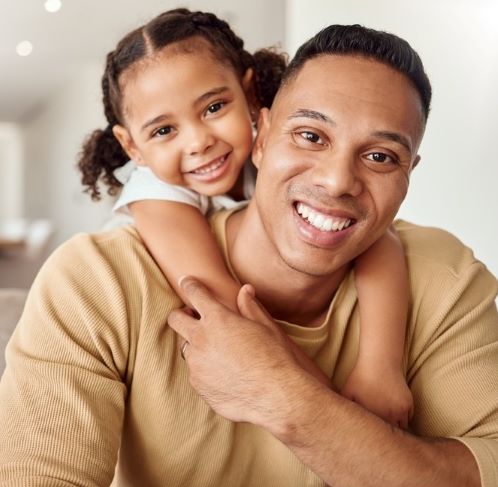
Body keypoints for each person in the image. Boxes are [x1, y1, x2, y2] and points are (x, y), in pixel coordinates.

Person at [0, 22, 497, 487]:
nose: (337, 180)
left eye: (382, 157)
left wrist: (291, 393)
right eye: (310, 136)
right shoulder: (104, 272)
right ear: (264, 134)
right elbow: (210, 295)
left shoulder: (445, 278)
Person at [77, 8, 412, 427]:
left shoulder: (276, 159)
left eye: (214, 107)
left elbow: (383, 241)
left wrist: (381, 369)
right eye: (164, 131)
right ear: (133, 147)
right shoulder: (155, 193)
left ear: (251, 96)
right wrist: (341, 417)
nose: (199, 141)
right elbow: (223, 307)